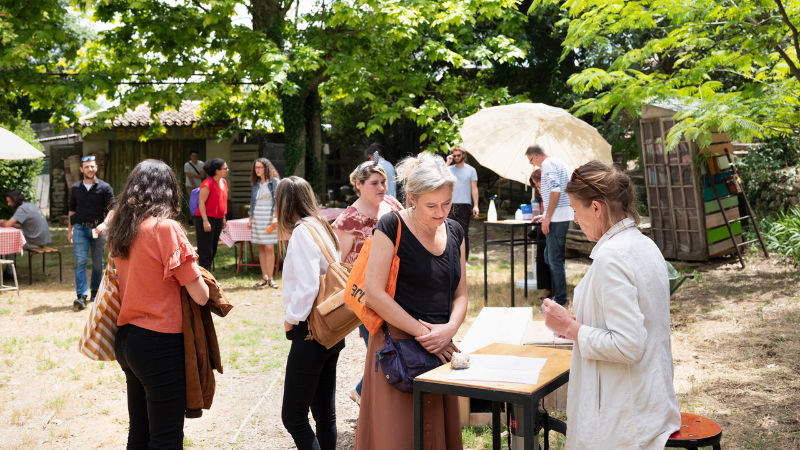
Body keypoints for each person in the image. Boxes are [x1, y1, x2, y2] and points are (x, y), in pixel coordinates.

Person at [541, 160, 681, 449]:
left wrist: (571, 328)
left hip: (625, 417)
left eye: (577, 211)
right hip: (648, 402)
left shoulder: (613, 257)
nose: (575, 221)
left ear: (596, 207)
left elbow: (628, 344)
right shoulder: (643, 244)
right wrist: (573, 327)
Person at [354, 153, 467, 450]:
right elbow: (374, 293)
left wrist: (448, 330)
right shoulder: (391, 226)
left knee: (434, 438)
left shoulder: (456, 231)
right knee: (398, 438)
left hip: (438, 349)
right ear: (413, 197)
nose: (441, 212)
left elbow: (461, 294)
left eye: (447, 203)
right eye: (432, 205)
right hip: (397, 348)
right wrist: (425, 333)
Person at [106, 159, 210, 449]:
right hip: (159, 342)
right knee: (166, 439)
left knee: (139, 434)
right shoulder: (165, 229)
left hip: (127, 339)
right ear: (168, 191)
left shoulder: (122, 227)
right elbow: (200, 295)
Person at [276, 176, 344, 450]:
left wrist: (290, 320)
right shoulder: (322, 226)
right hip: (332, 326)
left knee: (293, 417)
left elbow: (307, 287)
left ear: (284, 204)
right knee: (324, 414)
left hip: (311, 330)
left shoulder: (303, 233)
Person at [330, 161, 403, 406]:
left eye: (383, 182)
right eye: (374, 183)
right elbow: (338, 264)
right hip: (366, 296)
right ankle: (366, 394)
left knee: (397, 345)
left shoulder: (393, 205)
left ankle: (371, 394)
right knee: (380, 348)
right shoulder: (348, 219)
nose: (382, 187)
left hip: (398, 288)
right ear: (358, 185)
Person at [526, 145, 573, 306]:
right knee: (549, 257)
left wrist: (548, 218)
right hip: (560, 214)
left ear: (536, 156)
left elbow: (555, 190)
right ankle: (558, 293)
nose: (533, 165)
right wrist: (545, 215)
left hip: (557, 217)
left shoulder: (547, 164)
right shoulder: (559, 162)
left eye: (531, 161)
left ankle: (561, 299)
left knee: (554, 259)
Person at [68, 155, 115, 311]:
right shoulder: (75, 188)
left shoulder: (105, 187)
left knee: (97, 263)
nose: (90, 169)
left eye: (92, 166)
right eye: (87, 167)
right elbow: (71, 211)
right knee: (81, 261)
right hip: (80, 229)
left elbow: (113, 209)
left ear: (96, 168)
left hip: (98, 230)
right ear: (81, 169)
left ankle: (95, 292)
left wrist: (105, 224)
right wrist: (70, 231)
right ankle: (81, 296)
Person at [0, 190, 51, 279]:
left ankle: (10, 273)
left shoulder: (22, 209)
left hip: (35, 242)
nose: (8, 204)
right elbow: (20, 225)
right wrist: (7, 223)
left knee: (12, 242)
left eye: (9, 201)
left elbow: (8, 224)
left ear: (15, 199)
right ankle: (9, 270)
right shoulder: (30, 205)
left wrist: (2, 221)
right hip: (41, 239)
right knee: (13, 239)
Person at [248, 157, 281, 288]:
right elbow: (252, 202)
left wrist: (275, 217)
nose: (257, 170)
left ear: (266, 168)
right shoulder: (256, 184)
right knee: (261, 246)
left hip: (269, 217)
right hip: (257, 216)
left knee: (269, 247)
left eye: (260, 167)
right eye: (256, 167)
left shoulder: (274, 182)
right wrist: (250, 218)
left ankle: (271, 278)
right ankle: (264, 277)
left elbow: (278, 200)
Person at [194, 158, 229, 270]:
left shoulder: (223, 182)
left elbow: (222, 201)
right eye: (225, 168)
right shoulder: (207, 183)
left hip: (218, 219)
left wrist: (223, 217)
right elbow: (201, 202)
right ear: (217, 171)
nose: (227, 170)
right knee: (205, 250)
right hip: (206, 219)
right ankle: (205, 277)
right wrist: (205, 221)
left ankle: (207, 275)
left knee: (213, 248)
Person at [445, 145, 479, 258]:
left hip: (465, 205)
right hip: (450, 204)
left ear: (463, 155)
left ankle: (464, 258)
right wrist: (447, 163)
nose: (456, 157)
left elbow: (474, 188)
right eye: (454, 155)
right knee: (448, 231)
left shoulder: (471, 170)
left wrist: (476, 206)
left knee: (464, 233)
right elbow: (439, 179)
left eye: (458, 155)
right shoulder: (448, 169)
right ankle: (451, 256)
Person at [529, 169, 552, 299]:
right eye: (536, 187)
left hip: (552, 227)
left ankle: (550, 288)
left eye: (539, 186)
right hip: (544, 225)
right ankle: (547, 287)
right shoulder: (543, 197)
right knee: (542, 256)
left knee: (547, 258)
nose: (538, 190)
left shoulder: (552, 195)